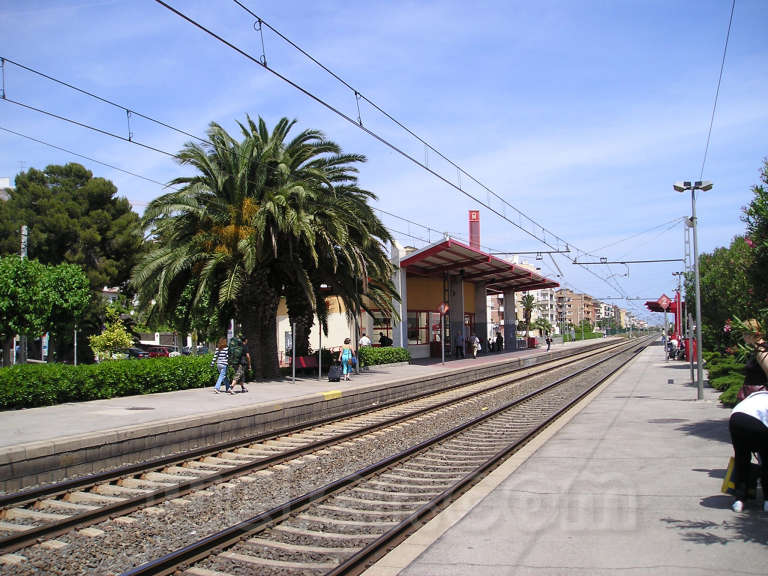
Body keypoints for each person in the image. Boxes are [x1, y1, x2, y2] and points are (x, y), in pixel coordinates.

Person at [728, 389, 768, 512]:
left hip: (736, 419)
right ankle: (767, 500)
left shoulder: (754, 397)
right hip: (758, 424)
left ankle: (739, 500)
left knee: (742, 458)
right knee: (766, 461)